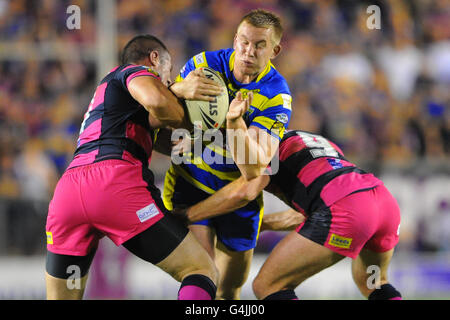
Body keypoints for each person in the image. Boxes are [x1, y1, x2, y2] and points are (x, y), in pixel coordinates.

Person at [44, 34, 226, 300]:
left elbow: (170, 138)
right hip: (113, 185)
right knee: (201, 269)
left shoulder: (116, 102)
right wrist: (179, 90)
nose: (170, 78)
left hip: (67, 195)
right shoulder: (134, 72)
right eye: (169, 70)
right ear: (154, 59)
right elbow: (160, 103)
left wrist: (205, 129)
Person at [175, 129, 402, 300]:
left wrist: (187, 215)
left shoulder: (264, 146)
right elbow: (310, 214)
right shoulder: (309, 139)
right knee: (374, 281)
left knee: (268, 286)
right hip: (382, 205)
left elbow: (245, 192)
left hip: (346, 210)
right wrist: (261, 224)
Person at [163, 9, 292, 300]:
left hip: (236, 194)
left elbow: (253, 172)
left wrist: (234, 123)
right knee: (202, 273)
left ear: (275, 50)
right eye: (244, 42)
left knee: (230, 288)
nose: (249, 51)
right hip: (191, 182)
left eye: (259, 45)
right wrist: (178, 88)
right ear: (235, 40)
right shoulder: (204, 64)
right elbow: (162, 113)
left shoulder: (276, 95)